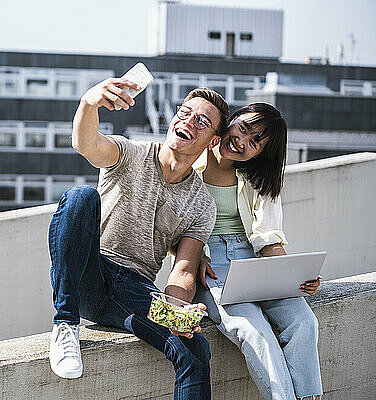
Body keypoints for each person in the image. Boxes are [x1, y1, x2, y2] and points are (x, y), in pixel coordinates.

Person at [48, 77, 229, 400]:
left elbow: (184, 271)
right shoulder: (132, 153)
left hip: (135, 289)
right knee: (81, 197)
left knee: (195, 349)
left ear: (213, 141)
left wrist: (177, 313)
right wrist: (89, 103)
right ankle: (65, 323)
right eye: (184, 112)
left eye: (202, 121)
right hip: (91, 270)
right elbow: (86, 145)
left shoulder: (202, 204)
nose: (188, 121)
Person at [191, 103, 323, 400]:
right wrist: (192, 252)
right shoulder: (191, 161)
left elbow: (268, 240)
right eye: (244, 129)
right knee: (255, 332)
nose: (241, 142)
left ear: (260, 154)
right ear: (233, 119)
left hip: (254, 262)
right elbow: (169, 221)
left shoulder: (258, 178)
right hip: (209, 264)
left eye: (254, 143)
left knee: (303, 322)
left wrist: (296, 276)